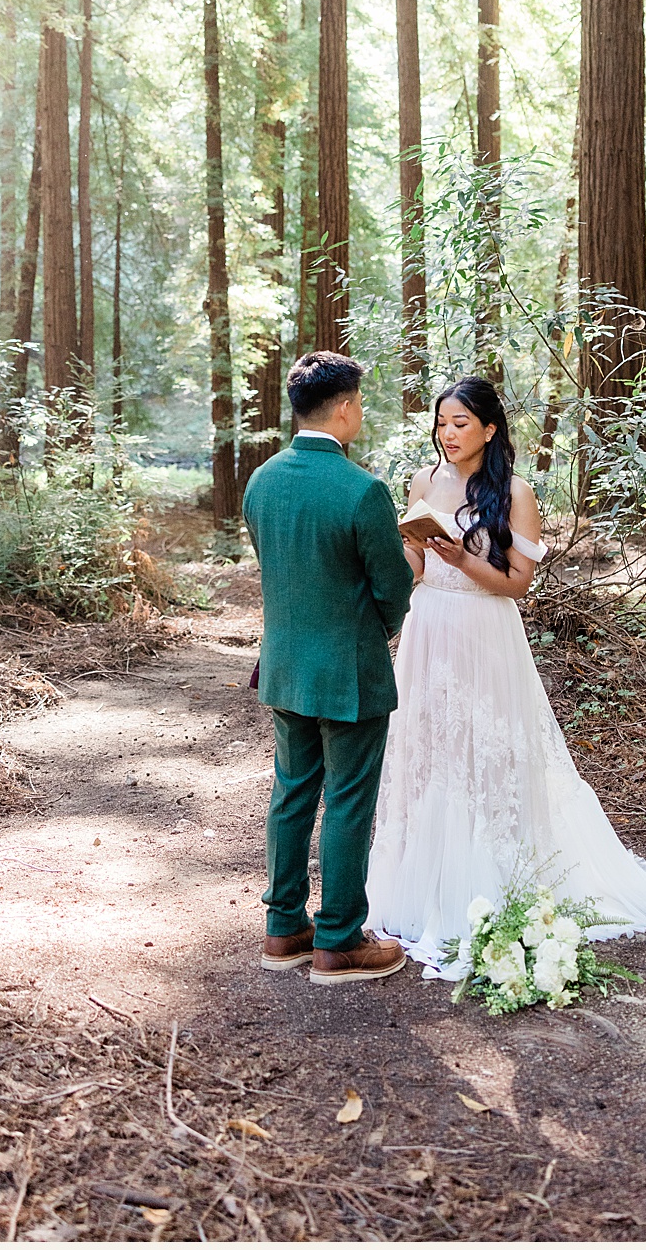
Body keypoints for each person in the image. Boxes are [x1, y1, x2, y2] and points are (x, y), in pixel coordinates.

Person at [367, 376, 646, 971]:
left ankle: (492, 879)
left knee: (491, 752)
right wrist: (407, 545)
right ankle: (419, 885)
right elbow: (417, 568)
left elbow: (518, 586)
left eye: (461, 424)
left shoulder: (517, 492)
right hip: (429, 629)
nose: (448, 434)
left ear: (490, 429)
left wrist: (466, 559)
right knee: (429, 752)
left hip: (485, 630)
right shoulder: (423, 481)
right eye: (442, 423)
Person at [241, 351, 418, 985]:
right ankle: (339, 940)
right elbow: (392, 587)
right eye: (360, 405)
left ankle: (284, 928)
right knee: (347, 800)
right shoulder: (362, 489)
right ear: (343, 409)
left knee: (292, 793)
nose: (360, 415)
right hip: (348, 671)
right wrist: (396, 600)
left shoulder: (261, 480)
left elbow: (281, 568)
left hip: (285, 666)